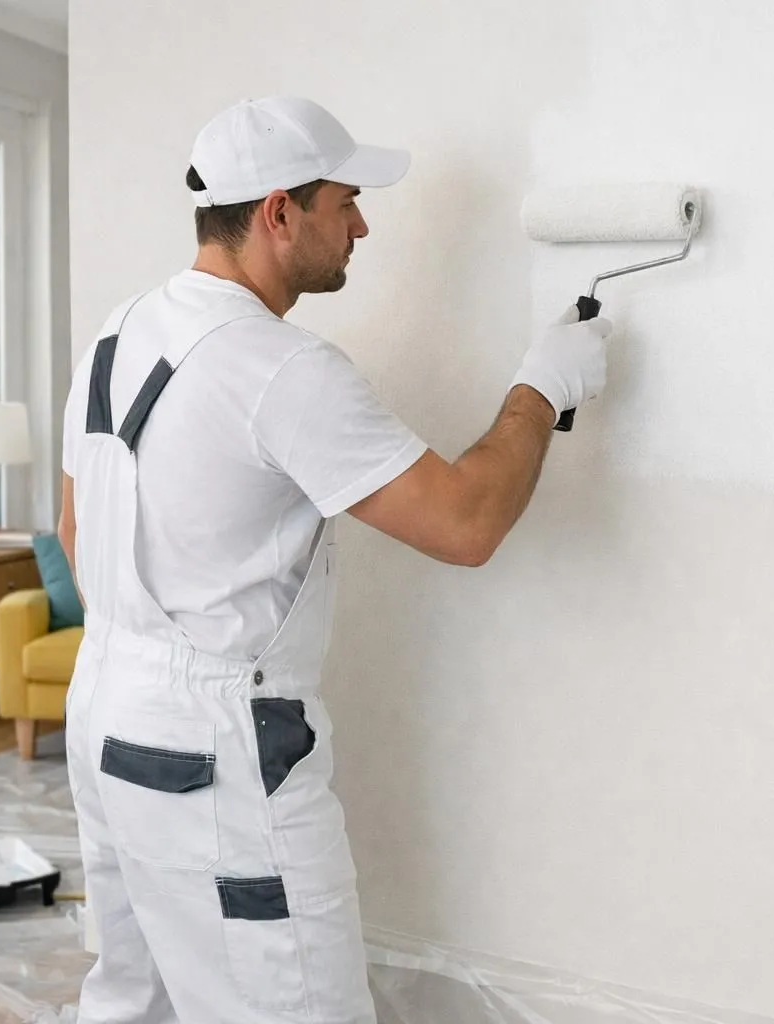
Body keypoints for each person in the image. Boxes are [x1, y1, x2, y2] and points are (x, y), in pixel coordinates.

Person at [57, 95, 612, 1023]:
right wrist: (540, 386)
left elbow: (78, 532)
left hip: (107, 719)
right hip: (214, 756)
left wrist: (156, 658)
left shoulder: (116, 335)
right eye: (344, 202)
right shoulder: (280, 370)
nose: (362, 224)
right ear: (279, 212)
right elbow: (468, 523)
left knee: (135, 999)